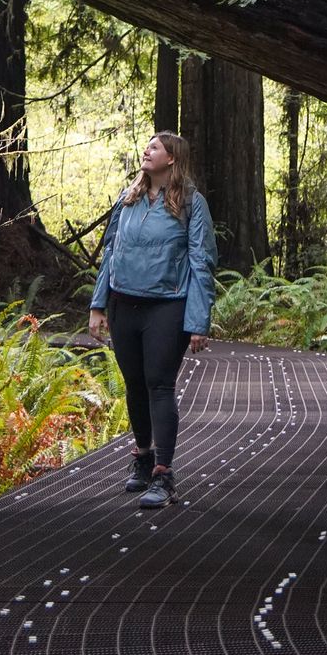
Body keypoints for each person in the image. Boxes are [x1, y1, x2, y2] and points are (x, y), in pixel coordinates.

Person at [88, 130, 218, 508]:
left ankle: (163, 474)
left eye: (155, 147)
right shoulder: (127, 199)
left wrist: (197, 322)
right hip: (123, 304)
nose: (147, 151)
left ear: (172, 158)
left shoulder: (192, 203)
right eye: (146, 146)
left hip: (167, 305)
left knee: (158, 384)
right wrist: (98, 306)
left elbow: (201, 263)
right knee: (133, 384)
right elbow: (110, 253)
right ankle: (142, 458)